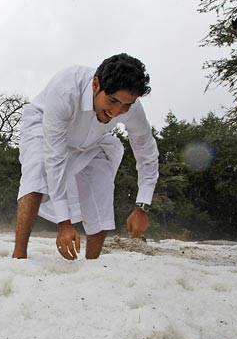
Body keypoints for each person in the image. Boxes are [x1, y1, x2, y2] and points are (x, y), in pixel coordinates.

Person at [12, 53, 159, 261]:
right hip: (44, 126)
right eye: (112, 100)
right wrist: (64, 224)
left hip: (93, 140)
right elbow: (55, 159)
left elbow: (147, 153)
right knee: (38, 167)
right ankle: (19, 256)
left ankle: (92, 265)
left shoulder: (131, 108)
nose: (117, 112)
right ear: (96, 84)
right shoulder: (65, 89)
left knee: (102, 182)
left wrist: (142, 206)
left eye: (125, 105)